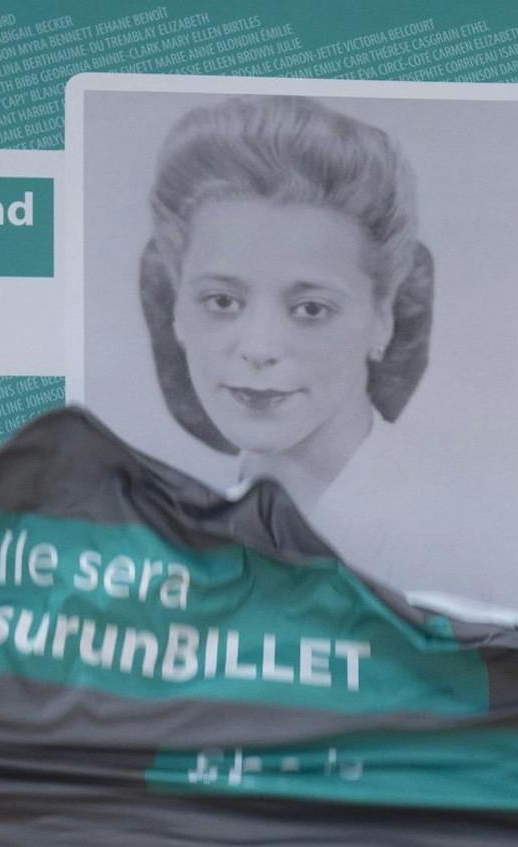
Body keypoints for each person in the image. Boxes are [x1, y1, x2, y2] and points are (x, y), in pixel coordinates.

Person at [138, 95, 495, 603]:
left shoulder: (454, 539)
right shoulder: (178, 540)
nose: (258, 348)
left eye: (310, 308)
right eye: (221, 301)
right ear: (177, 308)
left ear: (383, 317)